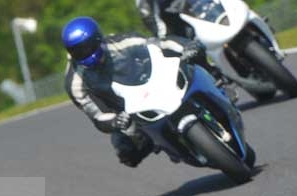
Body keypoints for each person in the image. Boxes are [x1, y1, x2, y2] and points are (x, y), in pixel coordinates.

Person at [63, 16, 226, 168]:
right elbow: (96, 114)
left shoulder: (122, 41)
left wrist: (186, 46)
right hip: (126, 111)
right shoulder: (74, 83)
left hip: (152, 81)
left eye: (87, 47)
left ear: (98, 39)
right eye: (78, 51)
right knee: (127, 152)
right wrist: (114, 121)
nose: (85, 53)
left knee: (193, 56)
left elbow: (159, 43)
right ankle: (163, 144)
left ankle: (214, 77)